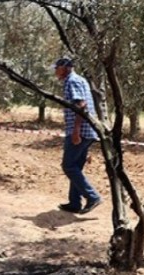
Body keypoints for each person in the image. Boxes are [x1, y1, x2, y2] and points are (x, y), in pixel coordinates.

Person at [53, 57, 102, 214]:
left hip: (80, 132)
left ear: (65, 68)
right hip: (87, 131)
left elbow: (81, 105)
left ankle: (92, 196)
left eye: (57, 68)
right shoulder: (78, 80)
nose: (55, 71)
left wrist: (76, 131)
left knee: (68, 166)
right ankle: (74, 203)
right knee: (76, 167)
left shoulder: (72, 81)